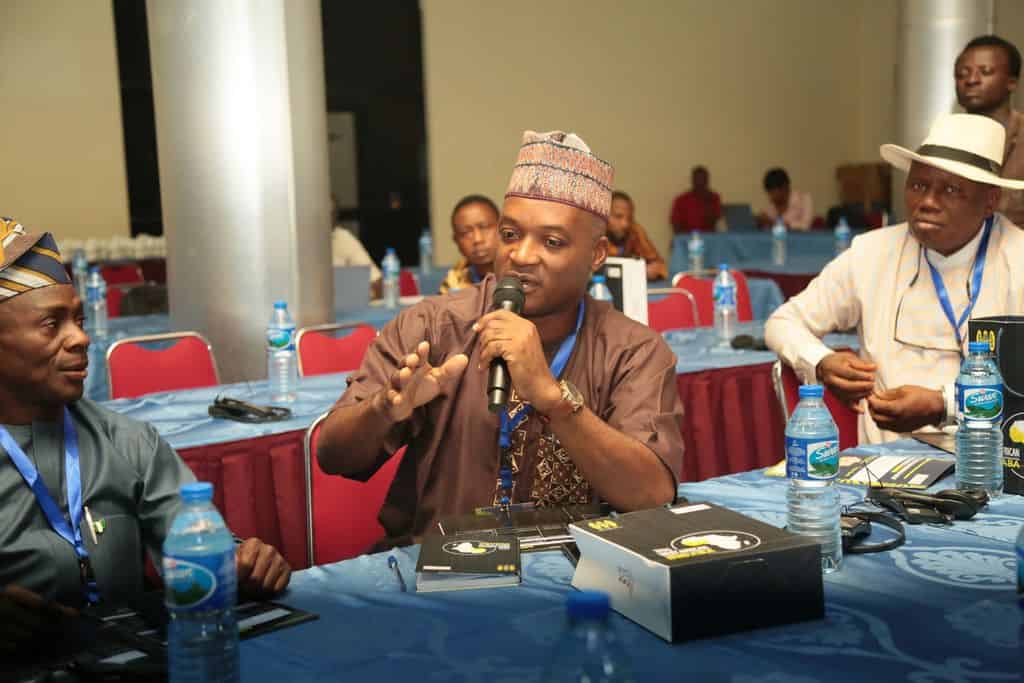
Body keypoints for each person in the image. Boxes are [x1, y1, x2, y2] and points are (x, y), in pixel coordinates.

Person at [317, 131, 683, 548]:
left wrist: (554, 401)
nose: (521, 256)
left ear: (597, 254)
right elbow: (332, 455)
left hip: (576, 571)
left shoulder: (633, 351)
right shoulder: (433, 326)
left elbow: (652, 495)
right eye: (510, 235)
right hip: (441, 567)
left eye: (552, 242)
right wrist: (383, 409)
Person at [0, 219, 291, 655]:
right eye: (51, 324)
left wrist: (243, 564)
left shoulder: (128, 442)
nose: (81, 338)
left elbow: (200, 548)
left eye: (79, 319)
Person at [765, 114, 1024, 444]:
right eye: (918, 186)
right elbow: (783, 322)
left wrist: (944, 405)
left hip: (996, 459)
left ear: (990, 201)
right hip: (886, 462)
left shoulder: (1017, 259)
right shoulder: (871, 252)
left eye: (951, 189)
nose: (927, 202)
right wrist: (821, 361)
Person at [955, 34, 1024, 226]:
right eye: (962, 74)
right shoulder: (945, 136)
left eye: (985, 72)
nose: (971, 80)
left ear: (1012, 82)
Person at [439, 195, 500, 294]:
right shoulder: (454, 281)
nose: (477, 239)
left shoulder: (521, 272)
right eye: (466, 232)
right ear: (456, 240)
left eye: (484, 227)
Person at [607, 191, 668, 281]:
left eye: (629, 218)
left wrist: (651, 270)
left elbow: (660, 266)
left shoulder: (634, 230)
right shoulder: (594, 232)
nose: (625, 224)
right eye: (618, 216)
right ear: (604, 214)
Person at [331, 196, 383, 298]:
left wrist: (356, 297)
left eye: (332, 213)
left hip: (341, 305)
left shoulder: (342, 238)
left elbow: (376, 281)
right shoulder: (299, 241)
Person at [670, 166, 721, 234]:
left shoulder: (714, 198)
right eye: (698, 179)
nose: (700, 182)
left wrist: (707, 202)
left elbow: (716, 221)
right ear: (692, 180)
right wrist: (683, 237)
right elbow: (675, 223)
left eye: (703, 179)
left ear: (707, 181)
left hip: (708, 237)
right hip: (687, 237)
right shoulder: (681, 200)